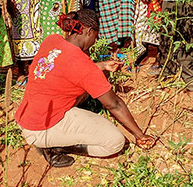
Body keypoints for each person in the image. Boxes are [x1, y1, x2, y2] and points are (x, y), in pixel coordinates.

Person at [15, 9, 155, 167]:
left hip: (26, 117)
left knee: (84, 89)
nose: (95, 41)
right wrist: (139, 135)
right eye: (96, 36)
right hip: (41, 129)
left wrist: (101, 66)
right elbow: (113, 104)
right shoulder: (83, 65)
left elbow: (66, 67)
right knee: (114, 142)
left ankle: (51, 139)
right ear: (88, 31)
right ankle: (54, 147)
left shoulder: (52, 41)